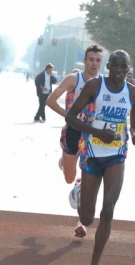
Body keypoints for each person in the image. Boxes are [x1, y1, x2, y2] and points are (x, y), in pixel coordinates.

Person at [65, 50, 135, 265]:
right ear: (108, 66)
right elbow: (71, 117)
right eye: (115, 65)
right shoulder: (95, 86)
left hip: (116, 155)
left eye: (123, 66)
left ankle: (94, 263)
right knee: (87, 219)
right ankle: (80, 192)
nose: (118, 70)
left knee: (108, 211)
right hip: (92, 154)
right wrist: (97, 132)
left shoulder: (133, 93)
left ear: (128, 69)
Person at [46, 45, 103, 201]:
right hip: (73, 131)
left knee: (93, 171)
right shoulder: (74, 79)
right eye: (91, 60)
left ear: (101, 62)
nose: (94, 63)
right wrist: (70, 116)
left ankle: (82, 185)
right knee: (69, 178)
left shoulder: (103, 83)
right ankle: (64, 161)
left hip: (92, 133)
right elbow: (50, 101)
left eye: (98, 60)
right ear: (84, 61)